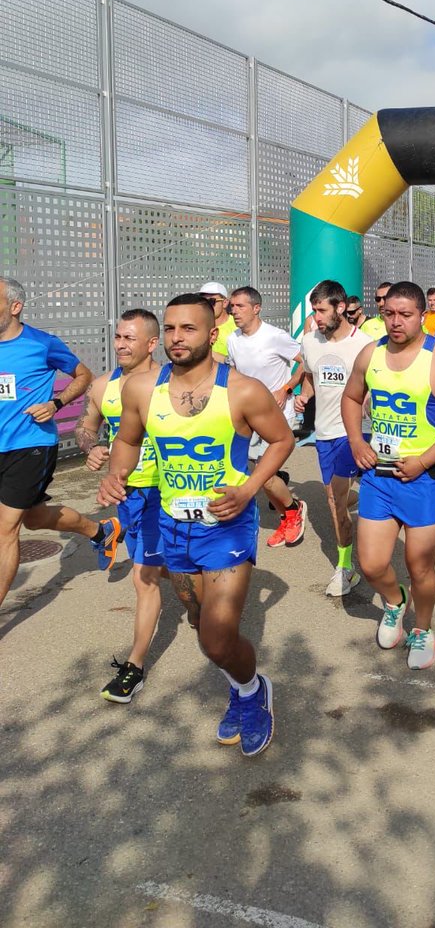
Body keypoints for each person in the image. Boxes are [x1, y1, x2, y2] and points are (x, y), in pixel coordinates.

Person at [98, 293, 295, 757]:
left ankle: (252, 692)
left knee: (216, 635)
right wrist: (115, 473)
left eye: (187, 329)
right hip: (173, 527)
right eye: (169, 329)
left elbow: (282, 440)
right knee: (200, 621)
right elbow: (127, 439)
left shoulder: (243, 390)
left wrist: (249, 489)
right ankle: (240, 683)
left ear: (212, 334)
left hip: (226, 526)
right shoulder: (142, 389)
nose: (176, 337)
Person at [341, 281, 435, 670]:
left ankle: (422, 628)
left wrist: (424, 458)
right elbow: (351, 397)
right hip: (379, 476)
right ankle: (395, 601)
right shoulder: (372, 353)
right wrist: (356, 441)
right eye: (389, 314)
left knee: (420, 566)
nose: (396, 322)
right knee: (370, 564)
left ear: (422, 316)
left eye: (405, 315)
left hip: (424, 480)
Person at [0, 277, 114, 610]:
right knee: (33, 518)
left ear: (15, 307)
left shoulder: (41, 344)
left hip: (30, 445)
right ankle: (99, 530)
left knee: (6, 529)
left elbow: (84, 376)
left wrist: (55, 404)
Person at [76, 309, 167, 702]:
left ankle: (135, 662)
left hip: (170, 493)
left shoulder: (171, 382)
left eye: (129, 338)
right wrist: (91, 447)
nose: (120, 345)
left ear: (151, 343)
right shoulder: (101, 386)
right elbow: (87, 425)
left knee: (158, 576)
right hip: (129, 494)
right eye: (117, 337)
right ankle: (137, 667)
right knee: (148, 577)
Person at [296, 279, 371, 597]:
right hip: (325, 433)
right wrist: (304, 395)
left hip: (355, 433)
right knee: (336, 499)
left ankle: (348, 566)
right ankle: (348, 564)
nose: (316, 317)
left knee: (335, 498)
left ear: (341, 308)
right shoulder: (310, 341)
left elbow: (373, 386)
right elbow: (311, 376)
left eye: (321, 310)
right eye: (314, 310)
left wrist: (366, 407)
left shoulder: (365, 344)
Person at [227, 286, 307, 548]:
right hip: (250, 414)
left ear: (256, 308)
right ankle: (288, 510)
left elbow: (305, 361)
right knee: (256, 472)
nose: (234, 311)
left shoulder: (275, 336)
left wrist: (286, 389)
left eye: (240, 306)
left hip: (277, 414)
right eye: (232, 306)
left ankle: (293, 511)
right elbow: (238, 373)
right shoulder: (233, 339)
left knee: (264, 475)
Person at [200, 282, 237, 364]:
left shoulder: (238, 328)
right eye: (202, 301)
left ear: (225, 303)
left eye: (211, 301)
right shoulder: (196, 326)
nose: (206, 305)